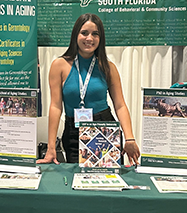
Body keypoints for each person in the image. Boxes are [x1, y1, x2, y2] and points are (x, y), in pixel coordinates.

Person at [36, 13, 140, 165]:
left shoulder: (108, 67)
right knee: (76, 181)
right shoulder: (59, 65)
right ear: (75, 35)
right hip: (73, 130)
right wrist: (51, 147)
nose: (89, 38)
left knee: (107, 182)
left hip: (105, 129)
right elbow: (55, 106)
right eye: (84, 33)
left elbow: (120, 105)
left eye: (95, 34)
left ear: (100, 38)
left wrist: (129, 137)